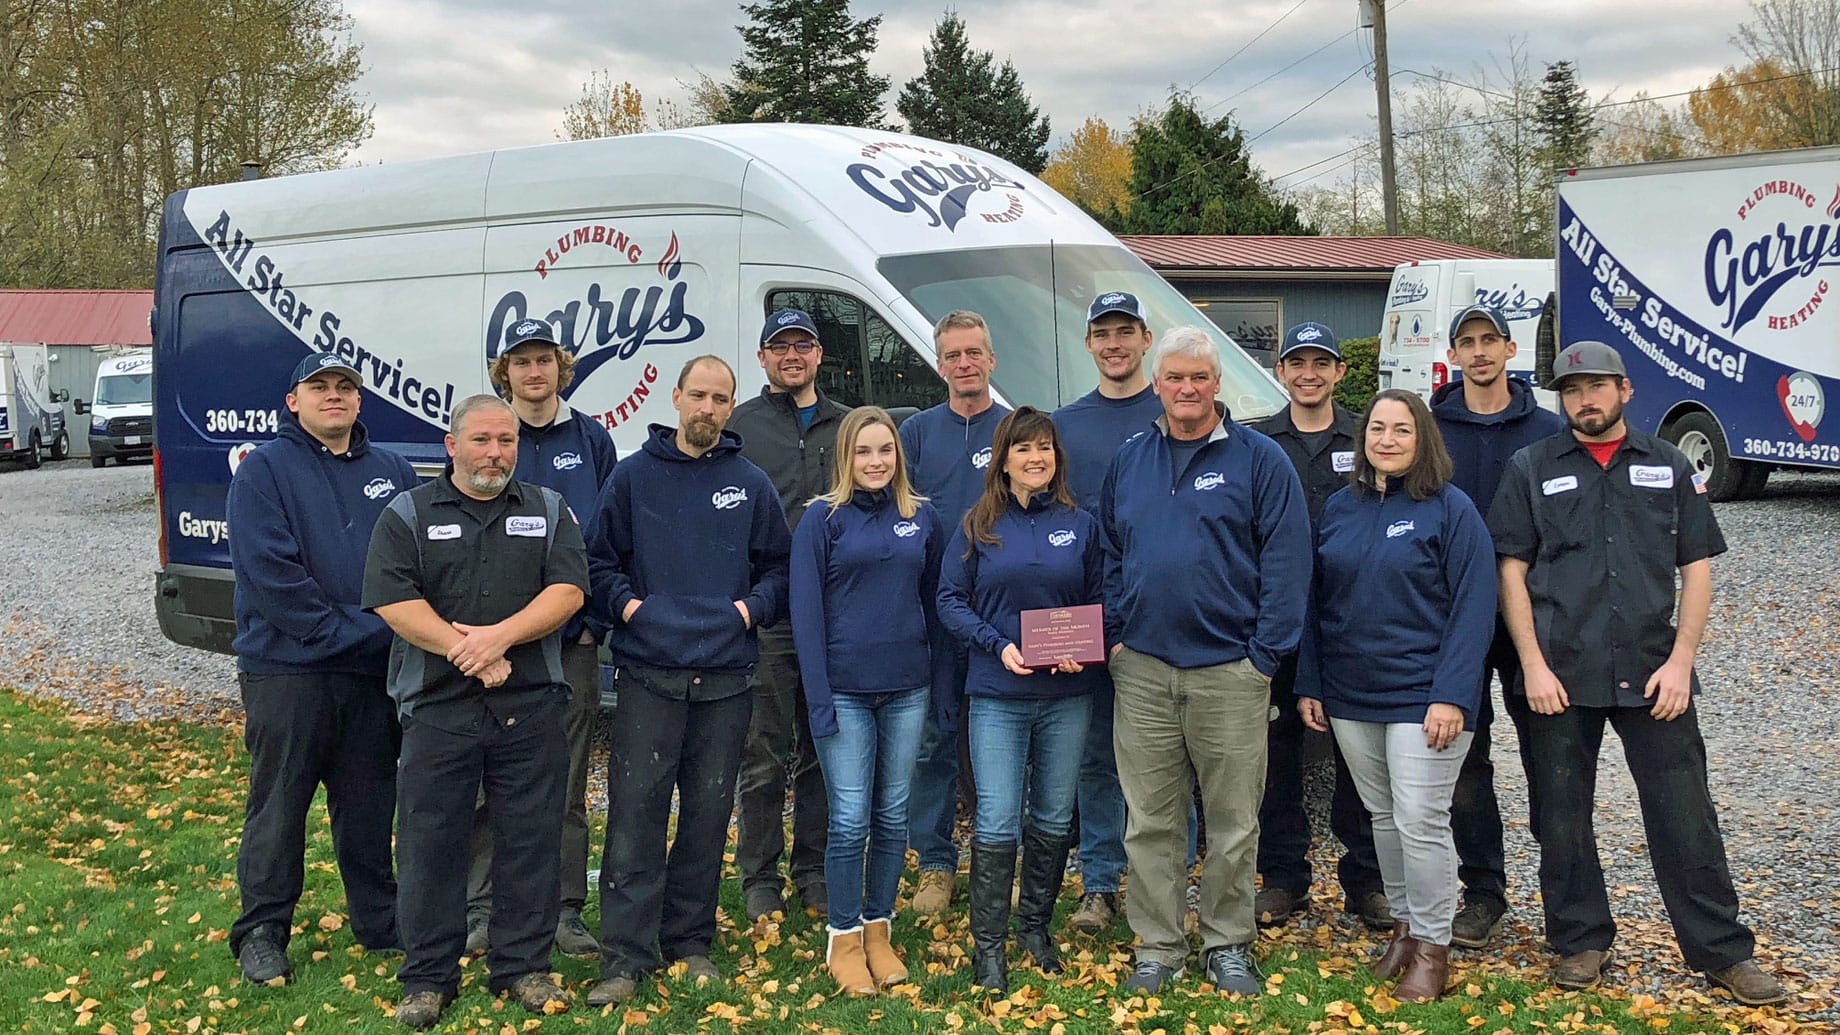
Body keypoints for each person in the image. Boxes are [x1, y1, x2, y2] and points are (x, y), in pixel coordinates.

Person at [1488, 341, 1788, 1006]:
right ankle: (1580, 940)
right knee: (1561, 817)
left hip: (1656, 674)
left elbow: (1698, 566)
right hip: (1559, 675)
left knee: (1686, 817)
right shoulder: (1531, 467)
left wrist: (1683, 661)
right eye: (1571, 390)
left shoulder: (1669, 464)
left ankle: (1722, 952)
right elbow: (1511, 567)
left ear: (1624, 390)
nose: (1583, 400)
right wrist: (1531, 663)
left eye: (1595, 387)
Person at [361, 394, 589, 1029]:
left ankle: (522, 967)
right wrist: (469, 650)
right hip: (439, 707)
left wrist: (501, 638)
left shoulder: (547, 510)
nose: (496, 453)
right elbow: (391, 599)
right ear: (451, 446)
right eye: (483, 440)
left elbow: (569, 589)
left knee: (530, 840)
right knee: (431, 844)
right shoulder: (407, 513)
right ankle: (429, 976)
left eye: (506, 441)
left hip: (530, 705)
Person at [1098, 326, 1312, 996]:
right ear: (1156, 384)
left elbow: (1287, 564)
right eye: (1174, 378)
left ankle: (1226, 943)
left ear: (1218, 384)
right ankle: (1158, 945)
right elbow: (1110, 552)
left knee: (1232, 820)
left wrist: (1263, 657)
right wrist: (1115, 635)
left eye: (1199, 377)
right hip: (1144, 671)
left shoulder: (1261, 460)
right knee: (1152, 820)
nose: (1186, 389)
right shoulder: (1130, 459)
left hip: (1230, 672)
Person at [583, 356, 792, 1007]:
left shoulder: (751, 484)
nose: (708, 407)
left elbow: (780, 570)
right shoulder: (633, 477)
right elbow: (597, 560)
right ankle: (625, 951)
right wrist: (630, 608)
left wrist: (748, 610)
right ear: (676, 397)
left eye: (720, 398)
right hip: (650, 673)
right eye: (698, 394)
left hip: (726, 679)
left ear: (732, 407)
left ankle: (689, 940)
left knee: (705, 816)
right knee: (636, 814)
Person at [1295, 388, 1497, 1003]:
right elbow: (1316, 602)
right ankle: (1406, 931)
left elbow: (1473, 608)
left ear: (1422, 439)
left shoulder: (1451, 510)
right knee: (1382, 816)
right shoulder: (1340, 508)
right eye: (1377, 428)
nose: (1385, 439)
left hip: (1425, 697)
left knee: (1420, 818)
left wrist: (1453, 696)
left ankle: (1435, 949)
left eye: (1401, 430)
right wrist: (1311, 681)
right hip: (1353, 694)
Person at [226, 354, 417, 985]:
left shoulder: (391, 470)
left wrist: (394, 633)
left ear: (360, 402)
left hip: (368, 677)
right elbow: (275, 581)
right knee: (279, 807)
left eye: (345, 388)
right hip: (289, 673)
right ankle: (261, 931)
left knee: (368, 804)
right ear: (294, 402)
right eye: (319, 387)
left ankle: (379, 922)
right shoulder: (262, 473)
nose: (333, 396)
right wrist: (373, 634)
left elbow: (409, 565)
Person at [463, 319, 617, 959]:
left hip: (567, 640)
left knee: (565, 775)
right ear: (506, 372)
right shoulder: (492, 439)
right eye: (521, 361)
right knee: (484, 775)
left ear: (561, 368)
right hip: (492, 641)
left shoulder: (591, 439)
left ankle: (562, 909)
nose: (534, 372)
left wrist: (590, 629)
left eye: (544, 360)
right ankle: (481, 907)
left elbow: (609, 537)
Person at [939, 407, 1105, 994]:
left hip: (1067, 694)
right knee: (997, 816)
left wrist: (1083, 648)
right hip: (998, 693)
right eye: (1023, 448)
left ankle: (1034, 927)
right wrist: (998, 644)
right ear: (1002, 459)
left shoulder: (1080, 525)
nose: (1036, 457)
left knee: (1055, 814)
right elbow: (950, 601)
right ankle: (989, 946)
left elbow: (1100, 601)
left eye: (1045, 448)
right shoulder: (977, 525)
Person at [788, 406, 950, 996]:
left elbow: (937, 606)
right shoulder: (821, 521)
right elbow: (804, 616)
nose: (876, 462)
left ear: (898, 457)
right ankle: (843, 938)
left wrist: (940, 691)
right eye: (864, 452)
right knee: (850, 818)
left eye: (885, 451)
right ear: (845, 458)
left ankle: (879, 930)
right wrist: (819, 700)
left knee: (891, 817)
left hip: (908, 687)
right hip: (844, 694)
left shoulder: (923, 519)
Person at [1428, 304, 1567, 948]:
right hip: (1453, 618)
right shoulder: (1432, 430)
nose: (1480, 352)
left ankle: (1567, 897)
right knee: (1464, 763)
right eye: (1467, 343)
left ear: (1511, 350)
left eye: (1490, 341)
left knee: (1550, 759)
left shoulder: (1546, 429)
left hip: (1532, 617)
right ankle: (1483, 893)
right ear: (1454, 355)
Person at [1246, 323, 1388, 931]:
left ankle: (1367, 882)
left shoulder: (1368, 438)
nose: (1309, 372)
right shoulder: (1255, 442)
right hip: (1275, 616)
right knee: (1275, 756)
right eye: (1296, 362)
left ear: (1340, 372)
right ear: (1280, 372)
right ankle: (1282, 879)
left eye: (1320, 362)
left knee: (1360, 752)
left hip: (1349, 617)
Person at [729, 308, 850, 924]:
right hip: (771, 612)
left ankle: (813, 870)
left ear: (819, 356)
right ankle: (758, 876)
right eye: (780, 346)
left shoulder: (847, 425)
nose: (792, 355)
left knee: (823, 746)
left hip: (836, 612)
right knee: (765, 749)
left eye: (803, 345)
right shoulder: (741, 425)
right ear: (763, 358)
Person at [1050, 291, 1163, 934]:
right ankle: (1099, 883)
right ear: (1088, 344)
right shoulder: (1064, 426)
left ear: (1146, 339)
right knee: (1097, 758)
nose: (1115, 343)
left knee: (1165, 766)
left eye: (1126, 331)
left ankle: (1163, 884)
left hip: (1160, 620)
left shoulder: (1174, 410)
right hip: (1086, 622)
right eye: (1103, 333)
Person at [899, 310, 1012, 915]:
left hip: (1001, 620)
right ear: (939, 363)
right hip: (933, 616)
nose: (964, 364)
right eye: (952, 355)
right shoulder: (916, 433)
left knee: (1002, 743)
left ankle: (1001, 860)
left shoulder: (1015, 430)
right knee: (933, 743)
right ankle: (936, 864)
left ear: (992, 360)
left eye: (974, 353)